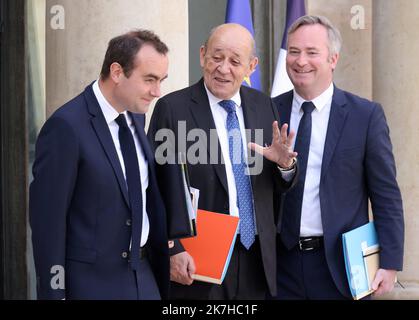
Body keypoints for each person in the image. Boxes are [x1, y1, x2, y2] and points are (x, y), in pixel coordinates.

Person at [148, 23, 297, 300]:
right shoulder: (173, 109)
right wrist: (172, 248)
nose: (223, 68)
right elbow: (155, 187)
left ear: (251, 67)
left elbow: (277, 189)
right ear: (202, 55)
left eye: (235, 61)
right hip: (198, 261)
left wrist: (284, 166)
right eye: (216, 57)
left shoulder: (264, 106)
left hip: (256, 259)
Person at [29, 30, 170, 300]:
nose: (157, 91)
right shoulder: (66, 127)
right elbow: (48, 222)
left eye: (161, 80)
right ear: (117, 72)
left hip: (144, 278)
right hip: (90, 285)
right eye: (149, 79)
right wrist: (53, 293)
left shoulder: (136, 118)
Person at [272, 15, 404, 299]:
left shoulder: (365, 116)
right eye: (294, 51)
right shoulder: (267, 112)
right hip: (279, 266)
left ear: (333, 59)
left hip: (341, 267)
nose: (300, 60)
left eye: (311, 52)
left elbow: (386, 194)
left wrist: (390, 262)